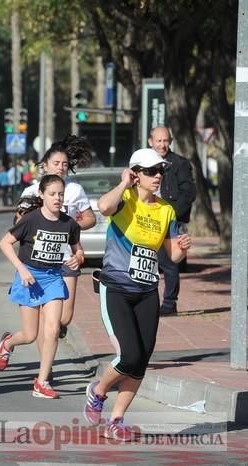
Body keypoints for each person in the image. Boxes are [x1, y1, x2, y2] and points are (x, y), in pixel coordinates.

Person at [83, 148, 192, 440]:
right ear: (136, 174)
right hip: (116, 288)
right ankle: (98, 391)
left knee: (141, 359)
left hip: (146, 292)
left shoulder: (166, 210)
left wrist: (182, 246)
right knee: (129, 354)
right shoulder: (125, 199)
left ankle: (116, 420)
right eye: (151, 171)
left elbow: (172, 255)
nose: (158, 176)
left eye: (161, 171)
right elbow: (103, 208)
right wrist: (122, 184)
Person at [0, 175, 83, 399]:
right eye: (52, 194)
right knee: (30, 335)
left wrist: (78, 257)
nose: (57, 198)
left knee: (53, 329)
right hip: (30, 277)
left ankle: (41, 382)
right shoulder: (30, 220)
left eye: (61, 194)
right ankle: (8, 343)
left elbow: (77, 249)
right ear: (42, 195)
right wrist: (21, 269)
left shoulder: (69, 223)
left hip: (53, 277)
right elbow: (4, 243)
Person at [20, 135, 95, 346]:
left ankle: (52, 333)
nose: (61, 167)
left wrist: (69, 226)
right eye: (56, 163)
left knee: (64, 317)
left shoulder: (74, 190)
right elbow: (18, 222)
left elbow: (89, 218)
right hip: (39, 261)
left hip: (67, 257)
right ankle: (46, 368)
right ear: (45, 165)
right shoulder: (32, 191)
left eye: (64, 164)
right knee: (48, 321)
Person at [148, 127, 197, 315]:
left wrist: (173, 215)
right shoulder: (142, 161)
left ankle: (169, 304)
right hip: (146, 216)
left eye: (165, 140)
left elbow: (188, 192)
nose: (162, 144)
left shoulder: (179, 163)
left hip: (169, 219)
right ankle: (145, 302)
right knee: (146, 259)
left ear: (171, 141)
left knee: (168, 262)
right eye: (158, 141)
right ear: (150, 141)